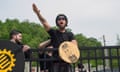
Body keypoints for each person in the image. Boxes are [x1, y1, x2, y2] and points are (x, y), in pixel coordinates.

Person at [32, 3, 78, 72]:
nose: (61, 20)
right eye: (59, 19)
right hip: (55, 62)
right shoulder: (54, 33)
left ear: (66, 22)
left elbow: (74, 46)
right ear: (57, 22)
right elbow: (44, 22)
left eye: (63, 19)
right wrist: (38, 14)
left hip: (67, 62)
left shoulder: (70, 34)